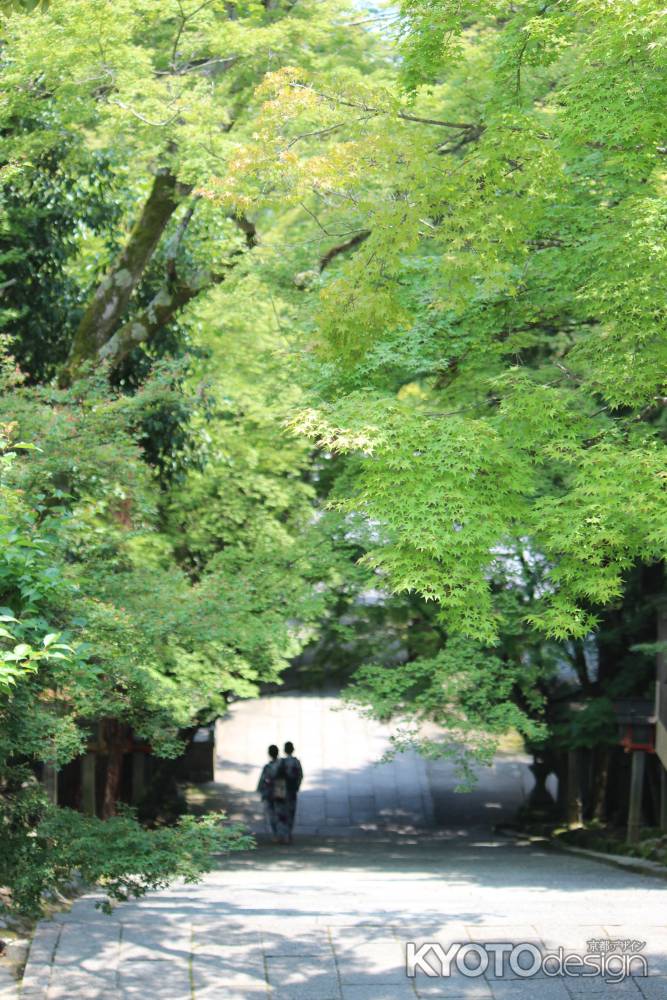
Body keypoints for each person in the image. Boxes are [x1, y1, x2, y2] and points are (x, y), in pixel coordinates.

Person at [257, 744, 283, 841]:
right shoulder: (282, 765)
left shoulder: (268, 767)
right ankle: (284, 834)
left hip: (270, 792)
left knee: (272, 814)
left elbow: (263, 780)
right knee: (281, 813)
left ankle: (276, 834)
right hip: (280, 790)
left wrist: (262, 792)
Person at [281, 741, 303, 844]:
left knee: (282, 812)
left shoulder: (281, 762)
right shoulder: (296, 762)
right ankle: (288, 833)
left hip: (282, 791)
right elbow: (300, 775)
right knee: (291, 812)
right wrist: (297, 786)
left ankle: (283, 834)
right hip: (292, 790)